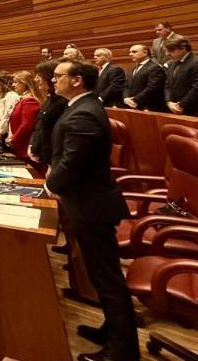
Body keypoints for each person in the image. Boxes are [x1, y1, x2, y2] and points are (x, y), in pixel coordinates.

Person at [47, 59, 139, 361]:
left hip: (91, 205)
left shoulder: (85, 112)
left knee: (107, 279)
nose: (53, 80)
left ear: (77, 80)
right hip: (87, 201)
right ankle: (111, 330)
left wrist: (51, 183)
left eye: (58, 76)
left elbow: (74, 161)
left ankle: (121, 351)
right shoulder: (80, 106)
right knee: (103, 277)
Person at [28, 60, 67, 170]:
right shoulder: (50, 99)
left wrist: (51, 164)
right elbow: (38, 126)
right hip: (43, 157)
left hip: (53, 162)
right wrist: (32, 145)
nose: (36, 79)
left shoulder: (62, 101)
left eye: (39, 75)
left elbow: (56, 135)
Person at [164, 37, 198, 118]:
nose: (167, 54)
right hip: (174, 108)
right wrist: (169, 101)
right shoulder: (171, 63)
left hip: (194, 110)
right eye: (166, 51)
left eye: (171, 50)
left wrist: (181, 105)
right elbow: (167, 84)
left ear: (183, 48)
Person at [7, 71, 42, 161]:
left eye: (16, 82)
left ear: (25, 84)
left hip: (25, 145)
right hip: (20, 144)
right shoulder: (23, 99)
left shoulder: (29, 100)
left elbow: (27, 124)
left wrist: (13, 140)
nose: (13, 85)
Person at [123, 44, 168, 112]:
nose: (130, 54)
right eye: (130, 52)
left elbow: (152, 88)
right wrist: (125, 98)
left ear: (145, 52)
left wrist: (135, 99)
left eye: (134, 52)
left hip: (148, 107)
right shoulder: (132, 68)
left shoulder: (155, 68)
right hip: (131, 105)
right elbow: (126, 85)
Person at [0, 71, 20, 146]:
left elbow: (7, 116)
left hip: (8, 131)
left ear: (4, 82)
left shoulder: (11, 96)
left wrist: (1, 131)